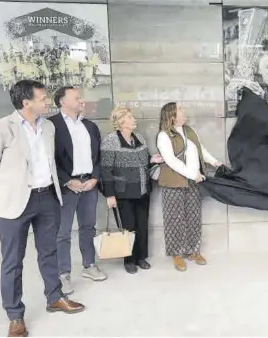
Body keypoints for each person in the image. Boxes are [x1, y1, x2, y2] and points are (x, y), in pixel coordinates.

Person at [0, 80, 85, 337]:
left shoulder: (47, 127)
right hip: (15, 203)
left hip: (47, 197)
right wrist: (4, 193)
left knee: (49, 252)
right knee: (12, 262)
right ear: (26, 103)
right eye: (43, 98)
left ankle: (54, 297)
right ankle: (15, 315)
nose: (47, 101)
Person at [48, 86, 106, 295]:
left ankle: (89, 265)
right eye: (77, 97)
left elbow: (98, 157)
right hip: (67, 187)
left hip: (89, 185)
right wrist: (67, 181)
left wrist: (95, 178)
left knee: (88, 227)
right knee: (62, 233)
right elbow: (50, 159)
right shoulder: (51, 125)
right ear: (62, 101)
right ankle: (63, 273)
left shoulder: (90, 126)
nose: (82, 100)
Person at [156, 102, 223, 272]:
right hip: (173, 183)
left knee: (194, 217)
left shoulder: (190, 131)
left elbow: (201, 150)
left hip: (193, 182)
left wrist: (215, 162)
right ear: (171, 116)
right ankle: (177, 254)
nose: (184, 112)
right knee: (174, 219)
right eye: (180, 110)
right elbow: (171, 161)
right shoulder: (164, 136)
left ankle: (193, 251)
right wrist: (193, 174)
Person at [100, 107, 164, 274]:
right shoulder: (111, 140)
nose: (133, 119)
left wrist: (152, 159)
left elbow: (144, 163)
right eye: (129, 117)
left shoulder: (140, 138)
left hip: (142, 190)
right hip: (123, 192)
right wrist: (110, 195)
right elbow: (106, 169)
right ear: (121, 122)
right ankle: (129, 260)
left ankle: (141, 257)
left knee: (142, 225)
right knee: (128, 227)